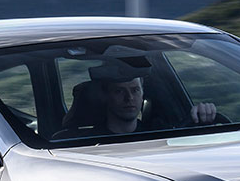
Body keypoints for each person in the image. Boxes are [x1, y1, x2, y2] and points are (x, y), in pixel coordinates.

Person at [57, 57, 217, 139]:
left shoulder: (161, 135)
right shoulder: (83, 141)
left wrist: (204, 117)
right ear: (106, 96)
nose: (129, 98)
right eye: (119, 91)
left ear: (142, 94)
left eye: (135, 90)